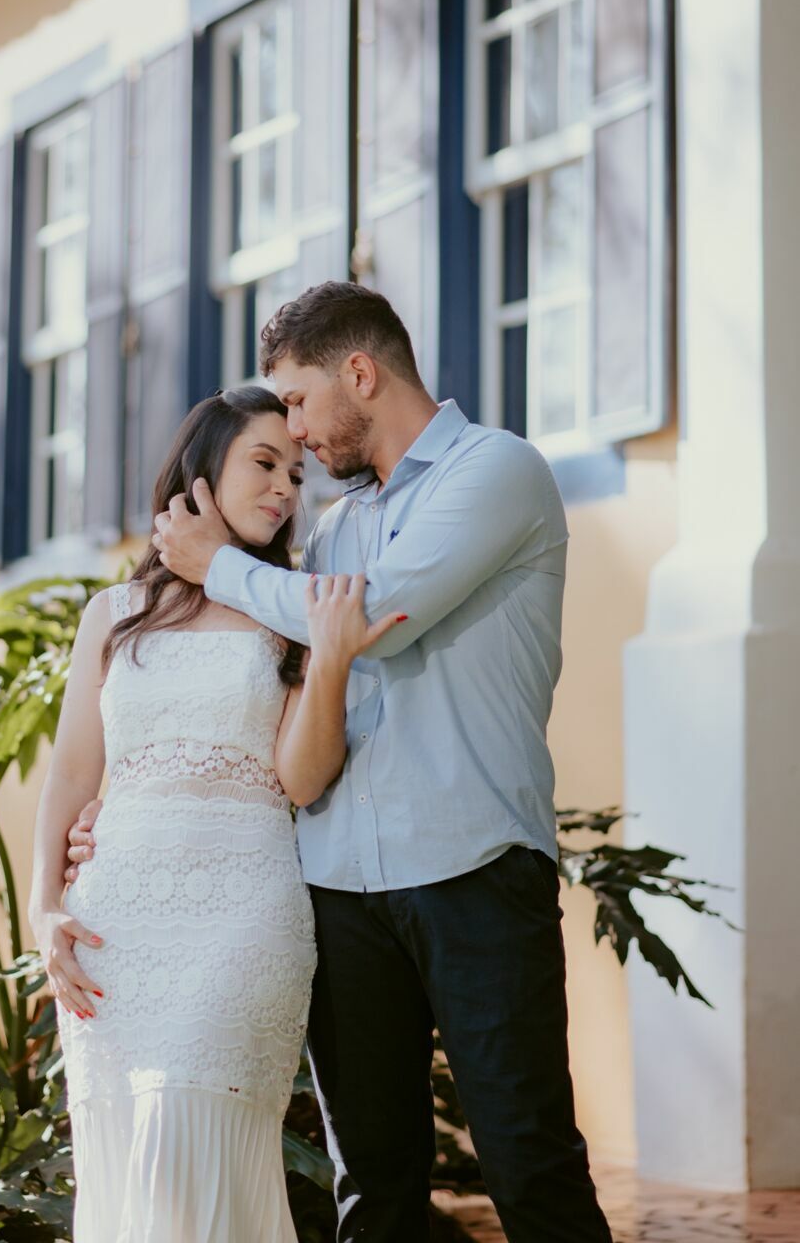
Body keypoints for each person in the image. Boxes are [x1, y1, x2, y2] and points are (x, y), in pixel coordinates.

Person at [69, 281, 613, 1243]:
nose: (297, 434)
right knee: (372, 1184)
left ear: (360, 372)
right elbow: (276, 690)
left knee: (530, 1163)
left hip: (474, 866)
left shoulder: (497, 471)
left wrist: (211, 563)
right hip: (335, 889)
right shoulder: (328, 529)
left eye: (301, 401)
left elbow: (370, 621)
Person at [27, 384, 403, 1243]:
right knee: (128, 1165)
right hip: (116, 932)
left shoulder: (294, 609)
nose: (284, 488)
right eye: (263, 463)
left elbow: (303, 780)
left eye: (297, 473)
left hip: (243, 919)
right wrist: (43, 909)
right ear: (201, 473)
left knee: (186, 1146)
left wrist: (333, 661)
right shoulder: (114, 616)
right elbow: (73, 776)